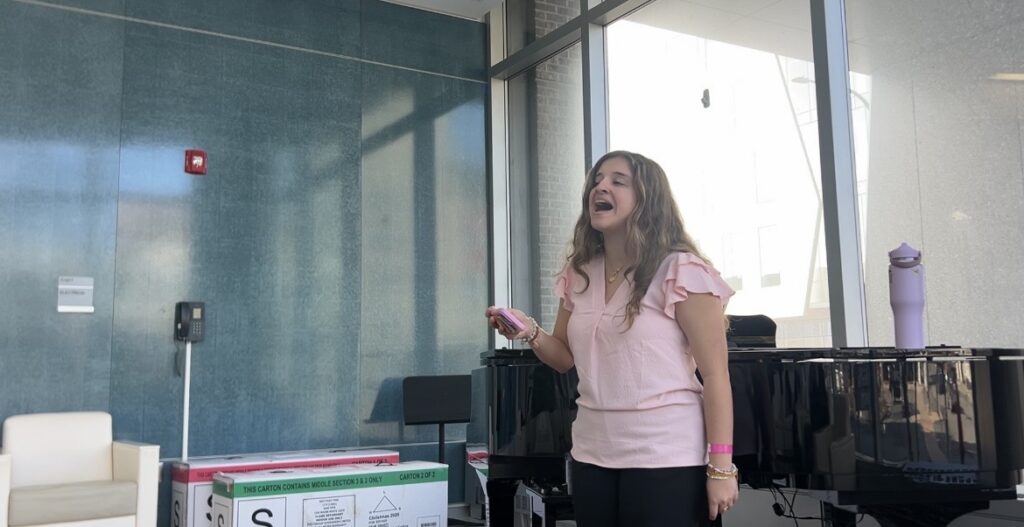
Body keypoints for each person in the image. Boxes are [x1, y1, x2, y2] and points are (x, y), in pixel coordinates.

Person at [486, 151, 739, 526]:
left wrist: (721, 468)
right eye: (597, 180)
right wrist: (530, 332)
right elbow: (565, 357)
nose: (600, 187)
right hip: (592, 456)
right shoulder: (580, 272)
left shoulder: (682, 270)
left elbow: (716, 377)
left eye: (618, 181)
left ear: (647, 199)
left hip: (666, 456)